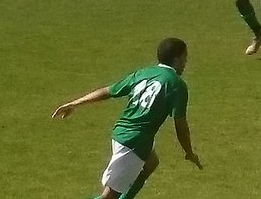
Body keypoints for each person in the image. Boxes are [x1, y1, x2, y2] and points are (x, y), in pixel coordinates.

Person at [52, 37, 201, 199]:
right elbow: (180, 125)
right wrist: (189, 152)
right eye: (185, 58)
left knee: (151, 162)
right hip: (136, 142)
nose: (186, 62)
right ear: (177, 59)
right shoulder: (177, 85)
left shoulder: (143, 73)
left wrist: (74, 103)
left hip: (121, 133)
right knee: (108, 197)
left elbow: (107, 91)